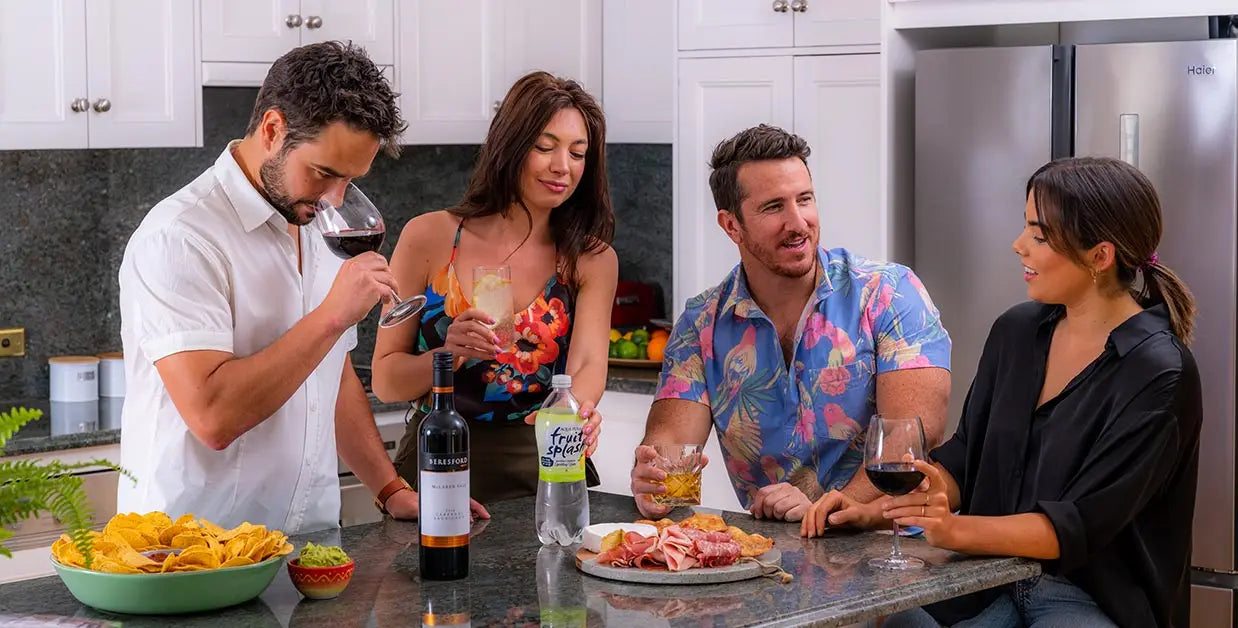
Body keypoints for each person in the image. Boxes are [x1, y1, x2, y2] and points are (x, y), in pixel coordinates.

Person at [814, 157, 1202, 628]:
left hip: (1089, 597)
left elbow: (1076, 526)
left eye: (1039, 236)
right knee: (896, 621)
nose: (1019, 246)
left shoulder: (1159, 372)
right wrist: (872, 511)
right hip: (985, 580)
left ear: (1100, 257)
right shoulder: (1016, 332)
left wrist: (953, 529)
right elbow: (962, 461)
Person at [117, 42, 421, 534]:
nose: (335, 200)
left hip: (310, 540)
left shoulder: (313, 218)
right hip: (190, 554)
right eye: (324, 173)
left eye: (351, 180)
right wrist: (332, 317)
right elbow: (213, 417)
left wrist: (391, 490)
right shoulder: (180, 237)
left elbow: (331, 377)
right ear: (273, 130)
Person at [629, 124, 952, 522]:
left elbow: (913, 439)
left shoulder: (889, 294)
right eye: (773, 207)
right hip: (774, 561)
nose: (798, 222)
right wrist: (653, 478)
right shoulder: (701, 324)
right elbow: (671, 444)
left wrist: (827, 510)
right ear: (731, 226)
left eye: (805, 199)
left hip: (894, 549)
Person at [371, 71, 617, 505]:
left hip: (542, 464)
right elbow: (387, 382)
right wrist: (450, 355)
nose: (564, 166)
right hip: (435, 461)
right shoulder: (429, 237)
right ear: (511, 145)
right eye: (545, 147)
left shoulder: (590, 258)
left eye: (578, 154)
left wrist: (574, 413)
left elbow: (589, 366)